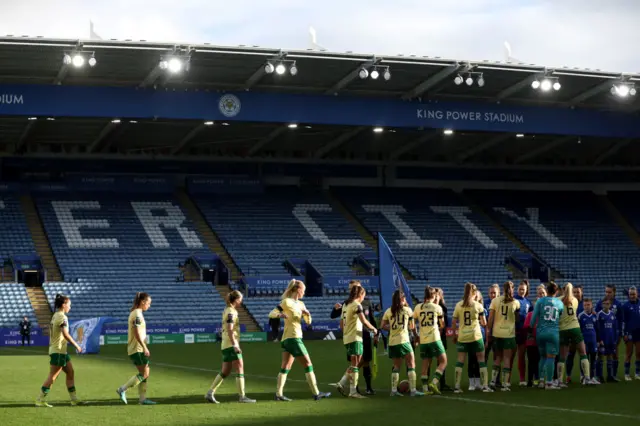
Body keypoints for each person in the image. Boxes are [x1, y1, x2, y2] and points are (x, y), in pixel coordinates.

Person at [269, 279, 331, 401]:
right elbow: (271, 313)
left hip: (289, 338)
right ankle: (316, 393)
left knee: (285, 366)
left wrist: (307, 314)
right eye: (303, 290)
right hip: (293, 338)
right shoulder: (286, 302)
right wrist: (279, 315)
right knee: (308, 364)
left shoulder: (301, 304)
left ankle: (279, 394)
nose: (304, 292)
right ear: (298, 289)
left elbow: (308, 323)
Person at [206, 290, 256, 403]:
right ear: (237, 300)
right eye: (240, 300)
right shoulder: (231, 312)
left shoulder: (228, 310)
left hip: (225, 344)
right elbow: (229, 329)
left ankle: (210, 392)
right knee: (240, 368)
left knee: (225, 371)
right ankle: (242, 396)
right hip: (230, 344)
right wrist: (235, 344)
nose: (241, 302)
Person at [330, 280, 378, 394]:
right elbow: (333, 316)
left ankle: (368, 387)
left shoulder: (366, 302)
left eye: (354, 287)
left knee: (366, 361)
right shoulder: (347, 303)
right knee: (355, 361)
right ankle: (353, 388)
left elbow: (371, 318)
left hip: (365, 335)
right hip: (354, 335)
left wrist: (376, 332)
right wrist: (334, 308)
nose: (352, 290)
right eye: (351, 288)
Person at [36, 294, 83, 407]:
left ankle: (74, 399)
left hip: (60, 351)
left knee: (70, 371)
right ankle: (40, 399)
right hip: (58, 351)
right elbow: (65, 334)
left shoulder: (55, 315)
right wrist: (76, 345)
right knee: (53, 376)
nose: (70, 307)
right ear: (63, 305)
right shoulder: (62, 317)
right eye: (69, 305)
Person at [380, 290, 424, 397]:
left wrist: (391, 327)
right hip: (404, 340)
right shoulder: (407, 310)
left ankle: (394, 391)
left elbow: (382, 326)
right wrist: (416, 336)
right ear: (402, 299)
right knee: (411, 364)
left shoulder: (388, 311)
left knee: (396, 366)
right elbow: (412, 327)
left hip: (392, 342)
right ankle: (413, 390)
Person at [452, 282, 492, 393]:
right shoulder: (478, 305)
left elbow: (454, 321)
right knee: (481, 360)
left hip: (463, 336)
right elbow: (484, 322)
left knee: (460, 361)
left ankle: (457, 386)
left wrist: (455, 334)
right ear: (474, 293)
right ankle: (484, 386)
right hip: (476, 335)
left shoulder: (458, 305)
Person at [117, 292, 156, 405]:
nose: (149, 305)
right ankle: (122, 389)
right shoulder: (137, 314)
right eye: (148, 303)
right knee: (144, 373)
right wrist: (144, 347)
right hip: (137, 348)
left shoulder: (136, 313)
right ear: (143, 302)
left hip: (136, 348)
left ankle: (142, 399)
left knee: (144, 373)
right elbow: (136, 332)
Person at [413, 286, 447, 395]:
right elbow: (442, 324)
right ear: (433, 295)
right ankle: (434, 382)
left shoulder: (418, 307)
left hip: (423, 339)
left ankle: (425, 389)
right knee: (443, 361)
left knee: (425, 364)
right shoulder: (437, 307)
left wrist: (416, 335)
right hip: (434, 338)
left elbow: (412, 323)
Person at [530, 281, 564, 390]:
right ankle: (549, 383)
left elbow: (532, 321)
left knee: (543, 357)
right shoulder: (559, 303)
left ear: (547, 290)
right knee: (551, 358)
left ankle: (541, 381)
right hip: (553, 333)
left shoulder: (540, 301)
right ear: (556, 291)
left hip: (540, 333)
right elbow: (560, 314)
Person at [557, 283, 592, 386]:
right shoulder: (575, 300)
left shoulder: (558, 300)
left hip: (563, 329)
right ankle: (587, 378)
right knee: (583, 353)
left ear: (563, 290)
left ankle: (559, 380)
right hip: (575, 328)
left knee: (562, 356)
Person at [487, 281, 520, 391]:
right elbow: (517, 319)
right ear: (512, 289)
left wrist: (488, 331)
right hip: (509, 334)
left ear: (502, 289)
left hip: (497, 333)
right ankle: (505, 384)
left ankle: (492, 381)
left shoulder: (495, 301)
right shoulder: (516, 302)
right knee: (507, 359)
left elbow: (490, 319)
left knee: (497, 358)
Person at [595, 284, 624, 379]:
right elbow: (596, 319)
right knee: (601, 355)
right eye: (606, 291)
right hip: (602, 336)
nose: (607, 294)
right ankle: (599, 376)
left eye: (609, 292)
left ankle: (612, 375)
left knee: (614, 354)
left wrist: (619, 334)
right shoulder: (600, 303)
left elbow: (620, 320)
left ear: (614, 292)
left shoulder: (618, 304)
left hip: (614, 334)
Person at [523, 285, 546, 387]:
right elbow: (526, 327)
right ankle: (529, 380)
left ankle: (537, 379)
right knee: (531, 361)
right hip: (531, 342)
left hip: (539, 342)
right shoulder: (530, 314)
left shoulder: (543, 315)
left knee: (538, 361)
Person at [467, 290, 487, 391]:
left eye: (477, 296)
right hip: (470, 336)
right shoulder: (469, 309)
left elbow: (485, 324)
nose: (475, 298)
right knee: (471, 359)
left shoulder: (483, 309)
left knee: (480, 360)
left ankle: (478, 382)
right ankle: (471, 382)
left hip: (481, 336)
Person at [565, 285, 584, 383]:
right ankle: (568, 375)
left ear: (582, 292)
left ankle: (583, 376)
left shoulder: (585, 304)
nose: (576, 294)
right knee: (570, 355)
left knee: (583, 355)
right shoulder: (569, 303)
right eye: (574, 292)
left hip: (583, 334)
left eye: (578, 292)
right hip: (572, 333)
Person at [577, 298, 599, 384]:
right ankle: (583, 376)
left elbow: (597, 329)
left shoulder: (595, 316)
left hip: (593, 341)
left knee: (593, 359)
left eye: (588, 305)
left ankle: (592, 377)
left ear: (591, 305)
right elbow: (579, 330)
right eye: (585, 305)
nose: (587, 307)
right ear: (583, 306)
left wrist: (599, 340)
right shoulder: (580, 316)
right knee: (584, 358)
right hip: (584, 341)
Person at [596, 299, 619, 383]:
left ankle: (610, 376)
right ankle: (600, 376)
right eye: (604, 303)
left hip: (610, 340)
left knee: (610, 357)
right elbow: (597, 329)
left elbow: (615, 328)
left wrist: (615, 339)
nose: (606, 305)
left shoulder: (612, 314)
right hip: (602, 340)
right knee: (600, 357)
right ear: (602, 304)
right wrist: (599, 339)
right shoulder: (599, 314)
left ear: (610, 305)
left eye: (608, 303)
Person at [514, 280, 532, 386]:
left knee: (521, 356)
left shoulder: (528, 302)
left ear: (526, 290)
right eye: (520, 289)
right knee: (510, 357)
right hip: (513, 331)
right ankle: (506, 380)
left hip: (523, 332)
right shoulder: (513, 300)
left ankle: (522, 379)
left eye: (523, 290)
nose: (521, 291)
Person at [622, 286, 640, 381]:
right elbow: (623, 321)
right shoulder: (625, 306)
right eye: (630, 294)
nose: (632, 296)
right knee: (629, 353)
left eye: (633, 294)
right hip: (629, 332)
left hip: (639, 332)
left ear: (637, 294)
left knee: (639, 353)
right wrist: (624, 333)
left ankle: (637, 373)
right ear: (628, 295)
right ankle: (626, 374)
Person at [484, 284, 501, 387]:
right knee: (484, 358)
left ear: (498, 293)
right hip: (487, 334)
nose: (492, 295)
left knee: (497, 357)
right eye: (491, 293)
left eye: (494, 293)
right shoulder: (485, 304)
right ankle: (484, 380)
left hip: (498, 334)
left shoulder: (501, 303)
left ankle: (496, 380)